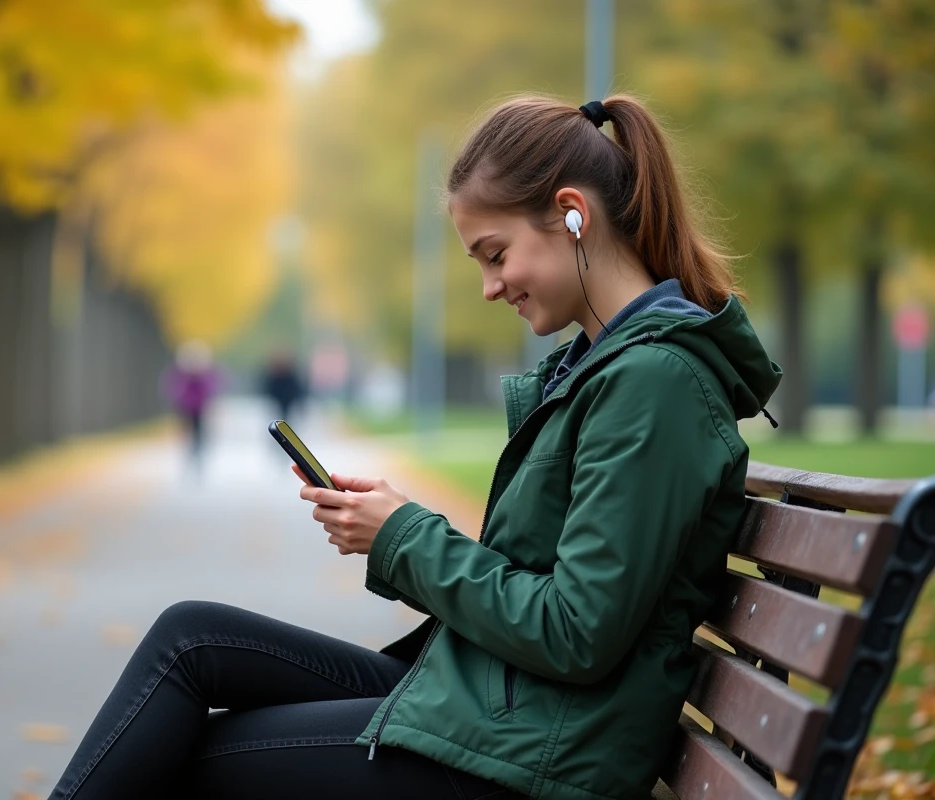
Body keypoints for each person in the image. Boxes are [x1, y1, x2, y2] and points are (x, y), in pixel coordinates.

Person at [49, 95, 782, 800]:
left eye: (495, 255)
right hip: (510, 710)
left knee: (184, 757)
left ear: (572, 215)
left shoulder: (654, 381)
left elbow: (576, 632)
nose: (491, 287)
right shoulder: (612, 368)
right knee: (191, 641)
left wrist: (403, 537)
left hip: (537, 756)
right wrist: (397, 528)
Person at [160, 340, 222, 471]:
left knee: (199, 433)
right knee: (187, 433)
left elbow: (212, 388)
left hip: (200, 409)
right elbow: (173, 388)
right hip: (186, 408)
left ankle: (197, 453)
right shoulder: (182, 375)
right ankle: (190, 454)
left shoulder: (204, 375)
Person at [260, 350, 308, 422]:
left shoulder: (290, 375)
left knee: (284, 416)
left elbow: (296, 389)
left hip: (286, 399)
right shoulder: (275, 375)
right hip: (279, 399)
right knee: (278, 415)